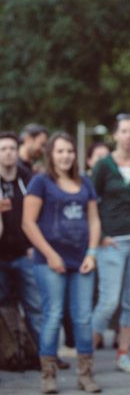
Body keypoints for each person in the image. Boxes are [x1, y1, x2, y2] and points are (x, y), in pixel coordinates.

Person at [22, 132, 101, 394]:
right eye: (60, 151)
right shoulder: (40, 182)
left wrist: (92, 253)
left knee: (82, 318)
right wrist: (50, 254)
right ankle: (48, 376)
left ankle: (85, 375)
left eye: (69, 151)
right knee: (52, 316)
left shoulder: (85, 182)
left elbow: (94, 221)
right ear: (51, 155)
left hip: (82, 262)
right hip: (49, 263)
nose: (65, 155)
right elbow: (28, 223)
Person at [92, 114, 130, 373]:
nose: (129, 136)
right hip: (112, 241)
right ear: (115, 136)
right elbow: (92, 202)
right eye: (124, 131)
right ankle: (87, 349)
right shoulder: (104, 166)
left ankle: (123, 354)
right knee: (108, 301)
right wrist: (100, 236)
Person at [0, 131, 42, 341]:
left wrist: (33, 245)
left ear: (17, 152)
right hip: (1, 255)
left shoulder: (28, 179)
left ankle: (45, 357)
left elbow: (39, 214)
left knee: (35, 306)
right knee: (4, 308)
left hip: (24, 253)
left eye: (11, 149)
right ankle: (11, 355)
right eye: (3, 149)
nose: (8, 153)